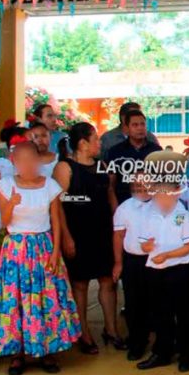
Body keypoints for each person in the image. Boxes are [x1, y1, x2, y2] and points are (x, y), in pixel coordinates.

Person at [0, 137, 80, 375]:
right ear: (14, 161)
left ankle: (47, 349)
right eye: (23, 160)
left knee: (45, 297)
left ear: (39, 161)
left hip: (43, 245)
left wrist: (56, 249)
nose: (28, 165)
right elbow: (4, 221)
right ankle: (18, 353)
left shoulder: (49, 185)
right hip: (17, 247)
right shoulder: (6, 185)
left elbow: (56, 220)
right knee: (16, 299)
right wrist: (11, 204)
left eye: (32, 160)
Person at [54, 123, 122, 355]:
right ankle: (84, 332)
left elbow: (110, 195)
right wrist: (66, 237)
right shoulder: (65, 167)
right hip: (78, 232)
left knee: (108, 281)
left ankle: (111, 330)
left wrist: (118, 226)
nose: (100, 143)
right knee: (80, 285)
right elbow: (58, 205)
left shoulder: (103, 166)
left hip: (103, 231)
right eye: (96, 139)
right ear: (83, 143)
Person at [136, 168, 189, 373]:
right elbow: (142, 243)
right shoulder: (150, 216)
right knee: (160, 313)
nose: (162, 199)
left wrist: (168, 255)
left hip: (179, 270)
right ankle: (162, 352)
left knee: (183, 313)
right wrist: (146, 247)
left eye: (167, 194)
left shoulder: (184, 216)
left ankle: (185, 353)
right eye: (159, 195)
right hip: (156, 270)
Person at [111, 169, 153, 361]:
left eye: (146, 182)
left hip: (157, 261)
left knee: (158, 301)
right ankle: (137, 342)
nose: (142, 186)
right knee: (134, 304)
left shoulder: (163, 204)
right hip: (133, 261)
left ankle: (163, 342)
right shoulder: (125, 208)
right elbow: (118, 236)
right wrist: (118, 263)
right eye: (137, 183)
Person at [106, 109, 162, 204]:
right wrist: (115, 210)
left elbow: (163, 181)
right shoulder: (115, 151)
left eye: (142, 124)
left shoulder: (156, 151)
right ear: (126, 128)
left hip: (151, 205)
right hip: (124, 204)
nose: (140, 128)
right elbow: (111, 186)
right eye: (135, 125)